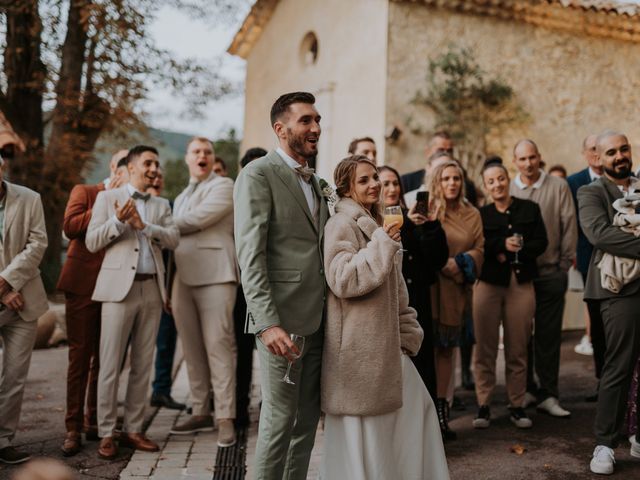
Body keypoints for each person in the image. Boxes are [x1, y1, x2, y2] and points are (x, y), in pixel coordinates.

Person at [320, 155, 449, 479]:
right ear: (347, 188)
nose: (375, 184)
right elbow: (342, 279)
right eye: (364, 180)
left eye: (375, 177)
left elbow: (396, 289)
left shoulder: (377, 223)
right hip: (357, 352)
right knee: (368, 434)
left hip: (390, 348)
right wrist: (381, 243)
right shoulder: (341, 224)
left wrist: (408, 332)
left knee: (418, 413)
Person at [234, 92, 329, 480]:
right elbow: (250, 255)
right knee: (277, 423)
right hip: (280, 321)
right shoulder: (257, 174)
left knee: (306, 423)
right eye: (306, 120)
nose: (316, 128)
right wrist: (266, 322)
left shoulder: (318, 182)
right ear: (281, 128)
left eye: (317, 120)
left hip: (320, 320)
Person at [86, 145, 179, 459]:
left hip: (152, 290)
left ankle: (135, 429)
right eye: (148, 163)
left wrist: (144, 226)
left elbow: (174, 239)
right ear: (131, 167)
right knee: (110, 364)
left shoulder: (162, 203)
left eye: (157, 163)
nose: (154, 168)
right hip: (116, 291)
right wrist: (118, 222)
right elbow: (91, 241)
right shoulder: (106, 199)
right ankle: (106, 432)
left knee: (142, 365)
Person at [57, 154, 130, 457]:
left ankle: (95, 420)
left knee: (106, 359)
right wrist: (104, 203)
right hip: (83, 285)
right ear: (113, 167)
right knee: (80, 357)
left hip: (114, 288)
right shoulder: (85, 191)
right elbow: (70, 227)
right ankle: (72, 427)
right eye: (123, 161)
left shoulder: (133, 201)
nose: (128, 166)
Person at [169, 137, 239, 447]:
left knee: (218, 347)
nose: (202, 156)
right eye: (196, 151)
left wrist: (154, 224)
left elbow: (197, 221)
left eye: (207, 152)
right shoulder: (182, 194)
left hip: (215, 275)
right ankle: (200, 410)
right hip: (181, 279)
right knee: (191, 349)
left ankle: (225, 417)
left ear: (212, 159)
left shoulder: (224, 185)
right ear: (187, 158)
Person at [578, 131, 640, 475]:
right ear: (598, 158)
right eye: (611, 151)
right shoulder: (590, 191)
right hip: (616, 290)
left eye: (624, 148)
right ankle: (605, 443)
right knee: (619, 364)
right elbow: (600, 234)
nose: (619, 155)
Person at [472, 162, 548, 430]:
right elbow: (477, 244)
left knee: (518, 347)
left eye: (501, 179)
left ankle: (516, 405)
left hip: (521, 282)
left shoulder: (530, 208)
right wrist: (499, 245)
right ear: (485, 186)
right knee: (485, 348)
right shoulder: (480, 214)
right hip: (488, 283)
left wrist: (521, 248)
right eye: (491, 181)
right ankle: (483, 405)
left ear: (508, 180)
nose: (497, 184)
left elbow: (542, 242)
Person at [510, 139, 577, 418]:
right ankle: (525, 390)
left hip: (551, 272)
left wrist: (563, 264)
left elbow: (568, 224)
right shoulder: (509, 187)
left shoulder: (558, 186)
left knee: (549, 338)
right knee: (520, 337)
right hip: (519, 277)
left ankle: (549, 394)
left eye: (532, 157)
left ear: (540, 157)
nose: (528, 163)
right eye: (522, 159)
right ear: (515, 161)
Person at [379, 165, 448, 400]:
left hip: (417, 299)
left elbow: (437, 259)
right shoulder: (372, 222)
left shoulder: (415, 215)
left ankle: (432, 420)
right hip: (386, 305)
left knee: (422, 361)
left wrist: (429, 226)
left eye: (395, 183)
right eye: (385, 183)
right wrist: (406, 224)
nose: (391, 188)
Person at [427, 159, 484, 440]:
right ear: (437, 181)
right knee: (426, 352)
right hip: (430, 287)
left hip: (456, 289)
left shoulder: (471, 213)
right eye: (446, 178)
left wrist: (461, 264)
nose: (452, 183)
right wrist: (441, 263)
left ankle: (442, 413)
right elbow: (419, 242)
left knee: (447, 351)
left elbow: (480, 248)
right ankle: (422, 416)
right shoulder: (427, 210)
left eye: (457, 178)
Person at [0, 155, 49, 465]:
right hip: (9, 296)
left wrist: (6, 281)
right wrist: (4, 291)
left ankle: (3, 441)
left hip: (24, 302)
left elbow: (38, 243)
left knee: (15, 377)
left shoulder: (30, 198)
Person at [567, 134, 605, 401]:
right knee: (598, 322)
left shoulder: (625, 179)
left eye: (600, 149)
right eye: (592, 149)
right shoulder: (574, 182)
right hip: (588, 260)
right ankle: (603, 381)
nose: (597, 153)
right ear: (585, 153)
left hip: (622, 260)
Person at [147, 170, 186, 411]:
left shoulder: (169, 208)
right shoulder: (127, 204)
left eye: (161, 176)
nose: (157, 179)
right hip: (134, 285)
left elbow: (173, 253)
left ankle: (161, 390)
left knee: (166, 340)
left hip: (165, 286)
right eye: (153, 176)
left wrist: (171, 291)